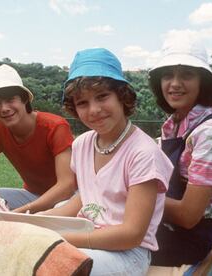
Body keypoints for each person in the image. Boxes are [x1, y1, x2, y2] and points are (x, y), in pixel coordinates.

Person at [43, 48, 173, 275]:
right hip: (85, 232)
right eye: (82, 103)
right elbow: (84, 198)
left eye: (102, 96)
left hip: (127, 253)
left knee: (55, 265)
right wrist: (36, 221)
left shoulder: (143, 153)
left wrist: (57, 238)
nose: (94, 110)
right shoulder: (82, 144)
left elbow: (132, 233)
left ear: (122, 96)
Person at [148, 34, 212, 266]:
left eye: (187, 74)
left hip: (189, 239)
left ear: (203, 82)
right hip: (164, 225)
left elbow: (189, 216)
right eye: (168, 74)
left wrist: (133, 196)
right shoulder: (173, 124)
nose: (175, 83)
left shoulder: (210, 131)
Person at [0, 64, 76, 212]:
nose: (4, 108)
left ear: (24, 99)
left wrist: (24, 211)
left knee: (56, 216)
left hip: (69, 198)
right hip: (32, 195)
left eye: (10, 99)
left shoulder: (56, 127)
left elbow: (67, 185)